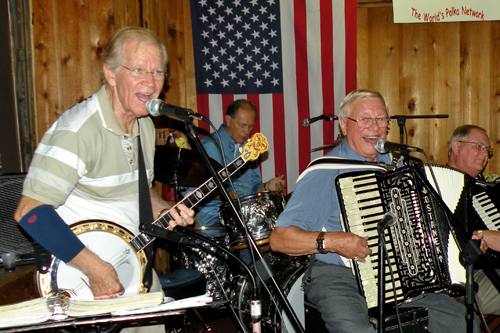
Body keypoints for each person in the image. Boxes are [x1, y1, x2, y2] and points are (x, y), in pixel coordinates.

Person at [14, 27, 194, 332]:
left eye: (157, 72)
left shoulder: (144, 127)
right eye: (138, 69)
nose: (150, 83)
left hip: (135, 271)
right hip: (83, 282)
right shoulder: (77, 131)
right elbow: (30, 212)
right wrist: (94, 268)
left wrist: (164, 212)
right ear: (110, 74)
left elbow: (140, 193)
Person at [269, 89, 479, 332]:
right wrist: (333, 241)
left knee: (462, 319)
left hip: (398, 275)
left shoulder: (399, 167)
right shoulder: (324, 171)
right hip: (339, 275)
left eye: (381, 119)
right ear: (345, 125)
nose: (375, 127)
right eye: (365, 119)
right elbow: (280, 238)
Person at [191, 99, 286, 227]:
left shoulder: (250, 149)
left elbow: (252, 187)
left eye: (250, 126)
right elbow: (192, 190)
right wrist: (223, 196)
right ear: (228, 120)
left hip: (245, 217)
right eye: (242, 125)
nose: (247, 131)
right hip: (215, 218)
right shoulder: (208, 146)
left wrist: (267, 186)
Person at [446, 124, 500, 316]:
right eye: (478, 146)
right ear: (456, 147)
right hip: (466, 275)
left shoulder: (485, 188)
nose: (484, 154)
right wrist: (483, 236)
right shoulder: (437, 184)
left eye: (487, 149)